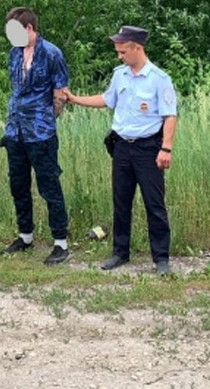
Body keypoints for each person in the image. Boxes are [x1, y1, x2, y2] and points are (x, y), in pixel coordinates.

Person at [64, 26, 178, 275]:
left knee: (154, 204)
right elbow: (107, 100)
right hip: (121, 147)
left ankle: (161, 259)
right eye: (118, 51)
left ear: (138, 47)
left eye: (123, 51)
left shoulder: (159, 79)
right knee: (121, 201)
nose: (119, 56)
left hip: (149, 148)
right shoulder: (120, 75)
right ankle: (120, 252)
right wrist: (75, 99)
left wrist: (166, 148)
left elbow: (170, 116)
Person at [0, 7, 71, 265]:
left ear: (29, 28)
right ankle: (25, 236)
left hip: (40, 132)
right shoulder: (14, 54)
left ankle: (60, 242)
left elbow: (60, 93)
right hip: (15, 130)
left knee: (49, 185)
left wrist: (46, 118)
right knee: (18, 185)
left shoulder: (51, 53)